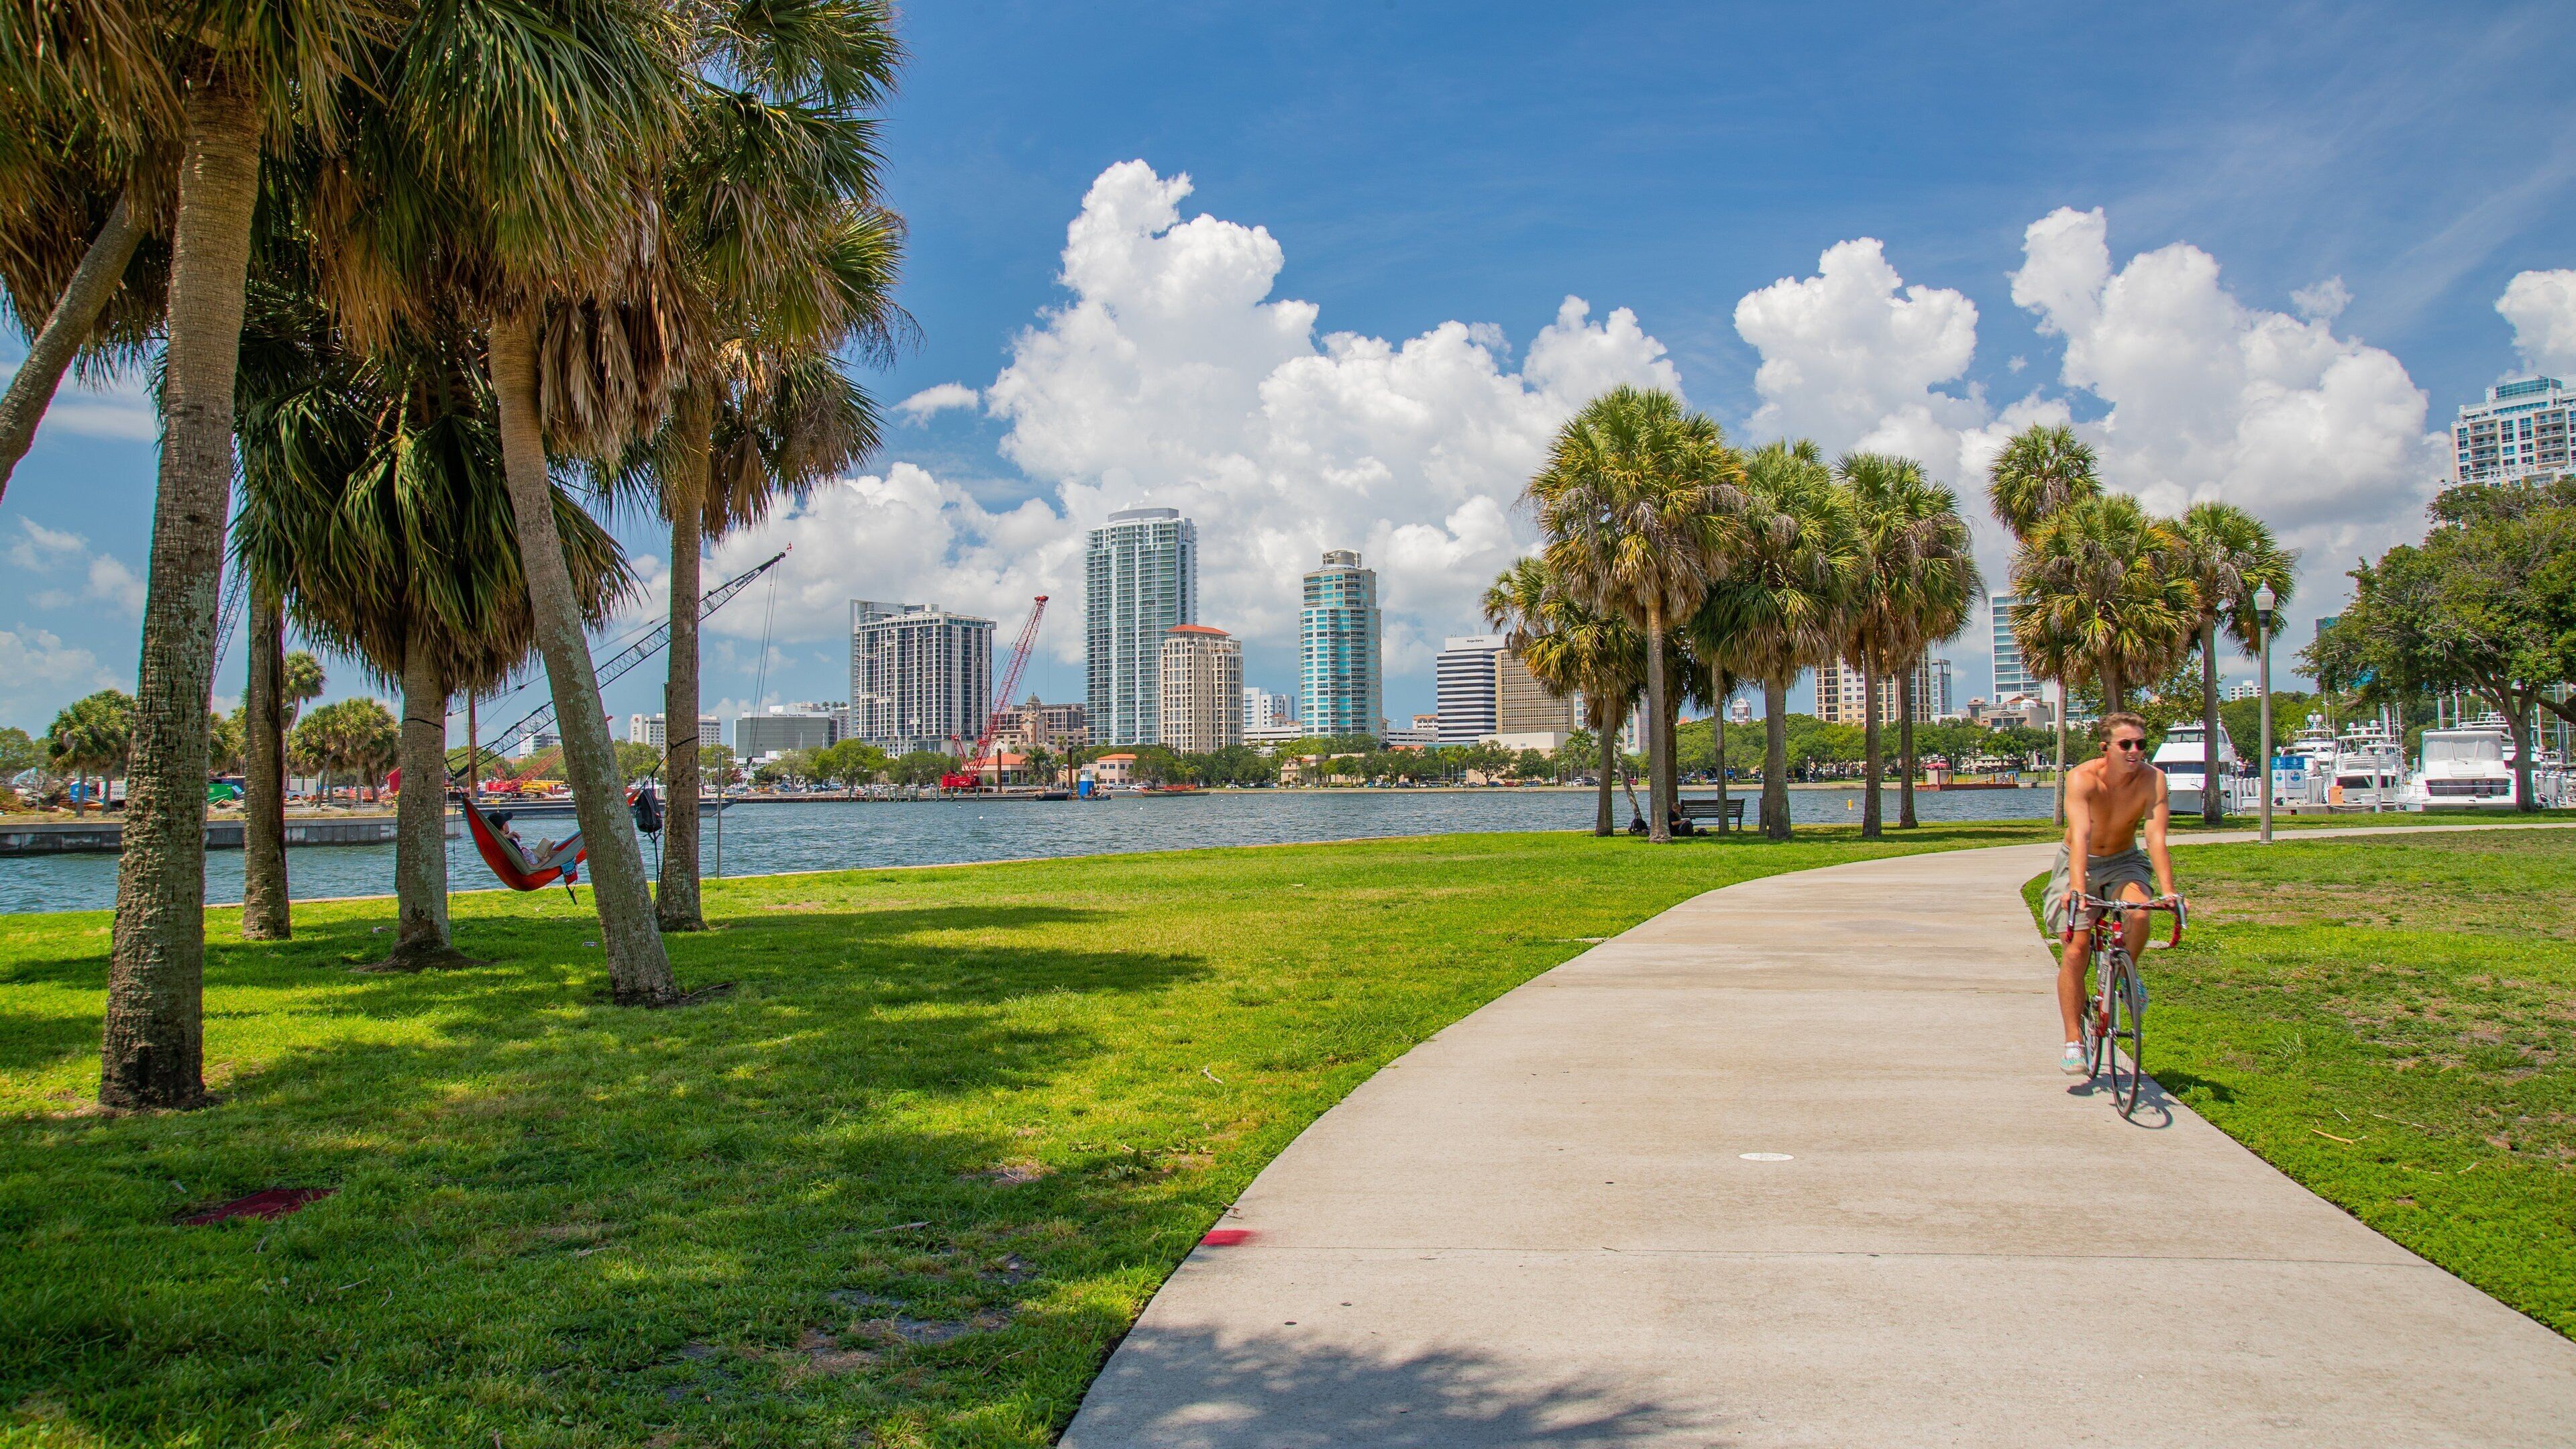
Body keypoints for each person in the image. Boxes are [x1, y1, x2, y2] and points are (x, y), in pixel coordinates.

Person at [2043, 710, 2182, 1074]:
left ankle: (2126, 974)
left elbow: (2156, 838)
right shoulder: (2082, 779)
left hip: (2124, 861)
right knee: (2076, 949)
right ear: (2106, 748)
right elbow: (2081, 836)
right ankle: (2074, 1041)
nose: (2135, 750)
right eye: (2126, 744)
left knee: (2139, 913)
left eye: (2140, 744)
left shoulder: (2155, 781)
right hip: (2080, 861)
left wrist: (2167, 891)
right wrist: (2076, 889)